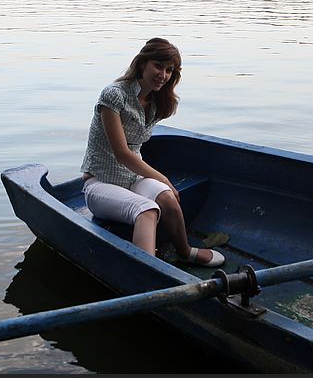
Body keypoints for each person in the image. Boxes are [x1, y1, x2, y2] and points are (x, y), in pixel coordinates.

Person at [80, 38, 225, 267]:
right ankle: (148, 273)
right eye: (158, 66)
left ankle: (185, 252)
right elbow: (122, 153)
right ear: (142, 64)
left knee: (167, 198)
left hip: (132, 179)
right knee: (146, 209)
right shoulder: (114, 95)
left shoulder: (157, 102)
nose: (163, 75)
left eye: (169, 70)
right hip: (100, 183)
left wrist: (162, 185)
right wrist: (164, 178)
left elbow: (135, 149)